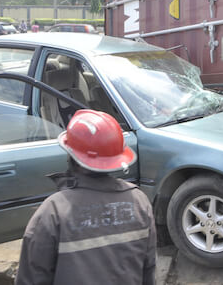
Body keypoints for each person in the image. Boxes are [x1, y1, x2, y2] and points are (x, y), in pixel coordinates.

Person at [15, 110, 156, 285]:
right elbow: (148, 271)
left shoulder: (54, 211)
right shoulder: (139, 202)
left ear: (71, 156)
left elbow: (31, 279)